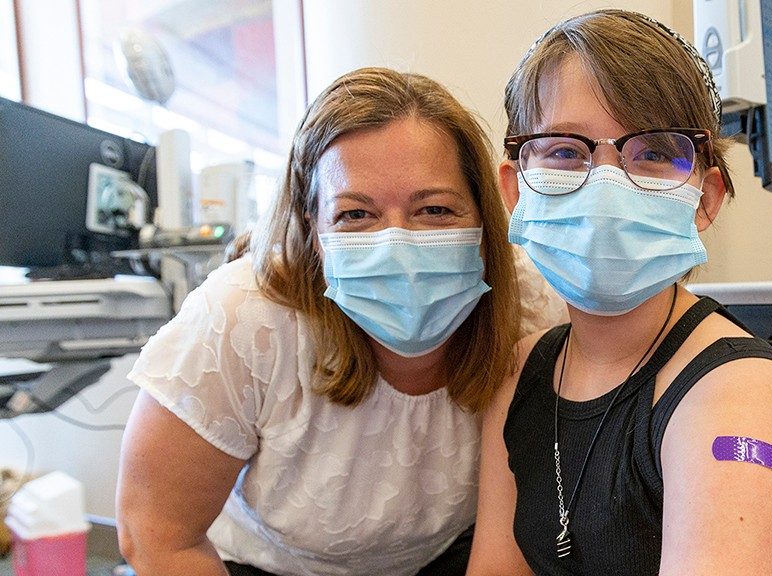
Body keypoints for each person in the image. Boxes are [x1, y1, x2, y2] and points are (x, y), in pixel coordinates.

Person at [114, 67, 564, 576]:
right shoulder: (244, 319)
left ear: (484, 219)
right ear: (314, 230)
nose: (398, 245)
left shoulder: (529, 306)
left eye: (435, 209)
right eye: (356, 214)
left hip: (446, 558)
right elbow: (154, 535)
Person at [469, 9, 772, 576]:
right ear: (517, 190)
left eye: (655, 152)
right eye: (566, 150)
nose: (606, 180)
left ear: (706, 198)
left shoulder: (739, 394)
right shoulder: (520, 375)